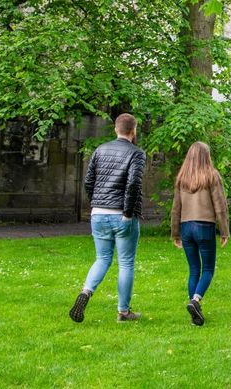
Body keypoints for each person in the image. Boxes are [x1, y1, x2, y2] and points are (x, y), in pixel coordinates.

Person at [69, 113, 146, 323]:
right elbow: (133, 184)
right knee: (126, 263)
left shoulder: (100, 150)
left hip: (98, 213)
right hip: (122, 215)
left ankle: (86, 291)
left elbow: (88, 181)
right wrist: (128, 213)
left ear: (115, 129)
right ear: (134, 130)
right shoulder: (137, 154)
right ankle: (123, 312)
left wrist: (96, 202)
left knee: (102, 259)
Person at [170, 142, 230, 326]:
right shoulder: (212, 175)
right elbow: (220, 206)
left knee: (194, 269)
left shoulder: (182, 178)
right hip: (205, 226)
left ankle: (193, 307)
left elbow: (175, 208)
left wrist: (175, 233)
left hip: (186, 227)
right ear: (207, 156)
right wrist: (224, 230)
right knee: (208, 269)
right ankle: (195, 300)